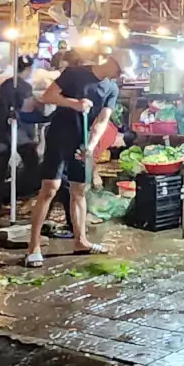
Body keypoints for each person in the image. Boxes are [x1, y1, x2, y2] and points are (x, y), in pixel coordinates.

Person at [25, 53, 123, 266]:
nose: (119, 75)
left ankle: (81, 241)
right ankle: (33, 246)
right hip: (60, 134)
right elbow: (48, 96)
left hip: (82, 140)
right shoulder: (74, 74)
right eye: (119, 70)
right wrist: (73, 103)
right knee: (50, 187)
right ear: (112, 62)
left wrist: (91, 144)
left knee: (79, 190)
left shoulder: (112, 89)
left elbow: (102, 120)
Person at [0, 56, 43, 194]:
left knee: (0, 168)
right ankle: (28, 195)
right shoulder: (25, 87)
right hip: (18, 132)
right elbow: (28, 108)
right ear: (28, 69)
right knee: (32, 165)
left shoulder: (5, 84)